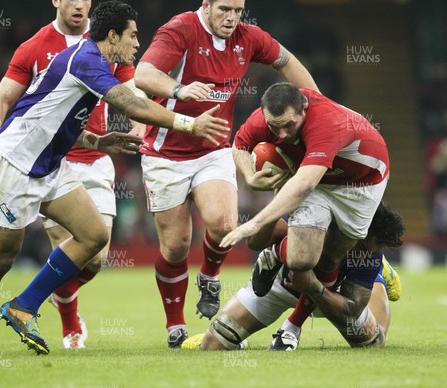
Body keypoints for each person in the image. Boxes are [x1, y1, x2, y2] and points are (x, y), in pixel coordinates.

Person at [0, 0, 228, 356]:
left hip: (49, 166)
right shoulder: (87, 60)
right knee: (1, 259)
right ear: (112, 36)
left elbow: (51, 114)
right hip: (11, 166)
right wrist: (189, 123)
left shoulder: (90, 59)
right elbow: (131, 103)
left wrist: (97, 140)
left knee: (94, 235)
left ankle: (24, 305)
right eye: (132, 36)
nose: (137, 44)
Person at [133, 0, 318, 348]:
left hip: (213, 148)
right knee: (175, 248)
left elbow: (287, 62)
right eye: (223, 9)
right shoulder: (181, 29)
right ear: (206, 4)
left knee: (223, 225)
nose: (232, 18)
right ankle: (175, 325)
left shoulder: (248, 37)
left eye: (238, 9)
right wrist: (179, 89)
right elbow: (142, 75)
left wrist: (316, 104)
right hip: (165, 152)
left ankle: (210, 275)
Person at [0, 0, 144, 350]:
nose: (79, 4)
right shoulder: (35, 47)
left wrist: (140, 129)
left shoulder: (109, 44)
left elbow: (132, 96)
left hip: (93, 156)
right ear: (56, 0)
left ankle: (45, 297)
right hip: (44, 160)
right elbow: (3, 98)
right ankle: (43, 316)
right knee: (12, 256)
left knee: (95, 257)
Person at [221, 82, 390, 338]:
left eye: (289, 125)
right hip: (318, 177)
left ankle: (293, 321)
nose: (282, 134)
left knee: (333, 254)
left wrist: (254, 222)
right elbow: (239, 145)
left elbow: (304, 183)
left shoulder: (327, 123)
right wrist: (249, 176)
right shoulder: (264, 120)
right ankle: (283, 274)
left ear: (304, 109)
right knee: (302, 259)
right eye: (274, 126)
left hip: (362, 183)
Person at [183, 202, 404, 350]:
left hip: (332, 294)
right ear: (357, 229)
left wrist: (314, 288)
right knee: (213, 346)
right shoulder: (315, 215)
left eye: (377, 250)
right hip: (282, 283)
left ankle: (379, 276)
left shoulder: (369, 255)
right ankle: (240, 342)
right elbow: (259, 240)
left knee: (375, 342)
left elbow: (352, 309)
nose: (369, 253)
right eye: (368, 246)